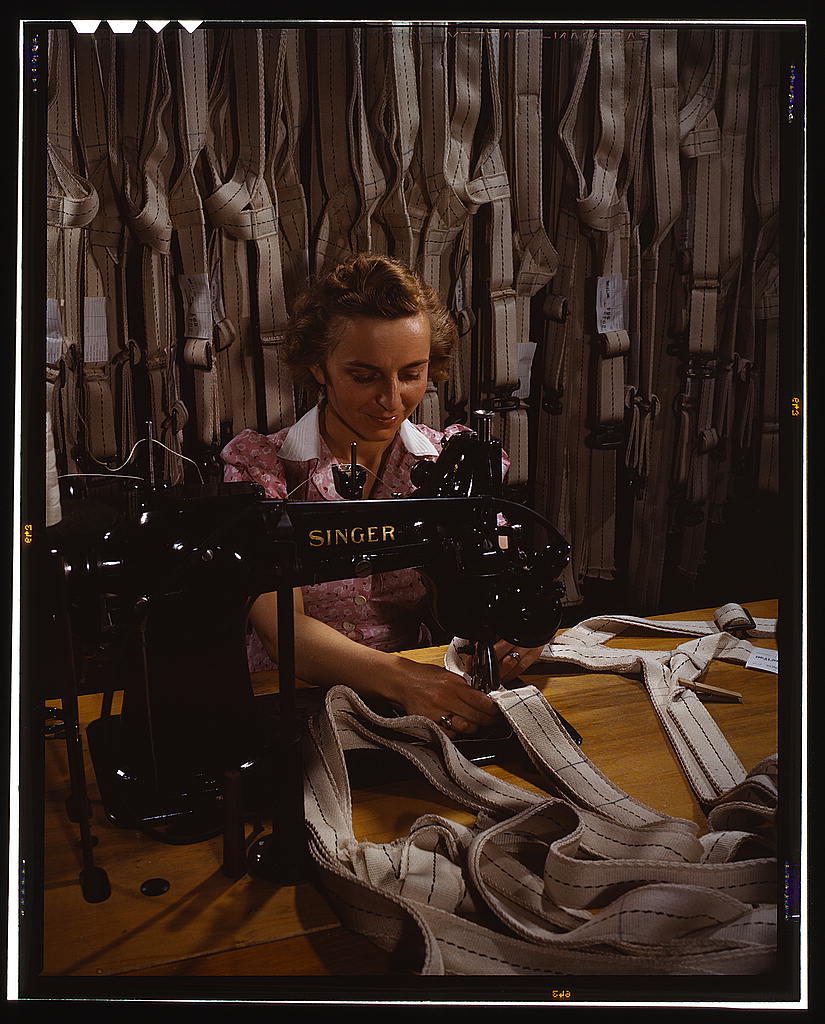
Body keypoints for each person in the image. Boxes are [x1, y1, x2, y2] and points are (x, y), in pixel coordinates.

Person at [221, 253, 544, 738]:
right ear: (318, 367)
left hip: (427, 685)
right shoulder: (263, 470)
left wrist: (518, 634)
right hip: (288, 694)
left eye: (411, 373)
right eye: (365, 376)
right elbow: (281, 631)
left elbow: (495, 578)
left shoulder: (448, 463)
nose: (391, 400)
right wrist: (402, 681)